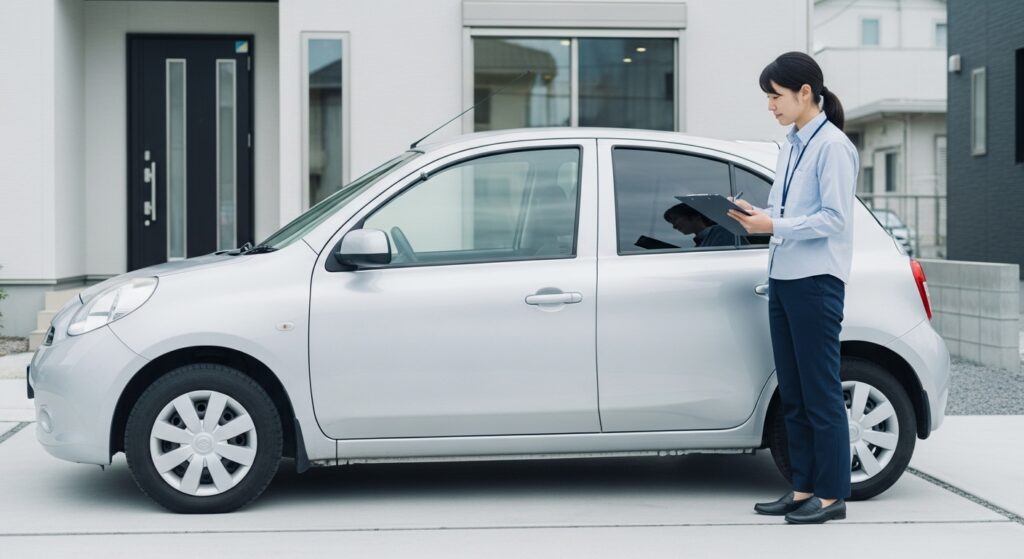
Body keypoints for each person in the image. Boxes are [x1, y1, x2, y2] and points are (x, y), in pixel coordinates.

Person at [727, 51, 858, 525]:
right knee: (796, 392)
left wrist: (773, 224)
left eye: (775, 96)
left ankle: (831, 496)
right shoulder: (792, 144)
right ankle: (802, 488)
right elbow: (784, 210)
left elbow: (833, 219)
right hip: (783, 279)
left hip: (816, 282)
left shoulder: (833, 147)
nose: (770, 105)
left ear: (805, 93)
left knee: (821, 391)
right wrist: (755, 216)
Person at [663, 203, 741, 248]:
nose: (674, 227)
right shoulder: (701, 242)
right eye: (672, 223)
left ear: (695, 216)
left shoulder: (721, 232)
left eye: (675, 219)